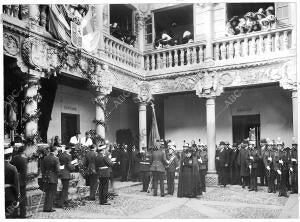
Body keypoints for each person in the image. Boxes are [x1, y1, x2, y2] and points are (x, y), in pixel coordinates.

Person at [41, 146, 60, 212]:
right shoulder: (56, 158)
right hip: (53, 177)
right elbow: (58, 170)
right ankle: (49, 208)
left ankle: (46, 207)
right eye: (57, 150)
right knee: (52, 193)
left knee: (47, 192)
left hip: (46, 177)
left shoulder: (45, 158)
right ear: (54, 151)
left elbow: (42, 168)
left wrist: (44, 175)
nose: (57, 152)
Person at [11, 145, 28, 218]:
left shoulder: (14, 158)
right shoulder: (24, 160)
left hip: (14, 181)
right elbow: (24, 172)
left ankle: (14, 214)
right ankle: (22, 214)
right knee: (22, 198)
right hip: (21, 181)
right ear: (23, 151)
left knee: (15, 198)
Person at [5, 145, 20, 218]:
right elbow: (15, 184)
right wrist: (17, 198)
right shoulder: (12, 168)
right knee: (8, 215)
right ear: (10, 157)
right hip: (9, 195)